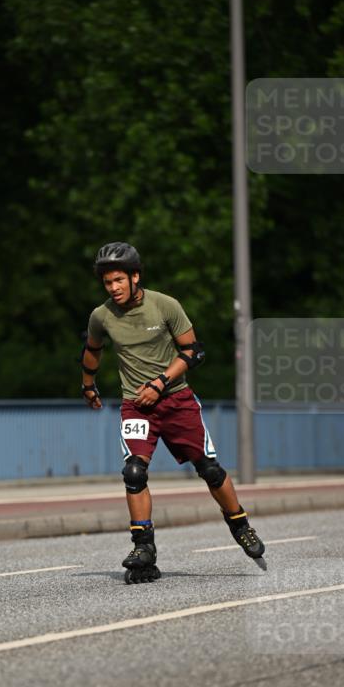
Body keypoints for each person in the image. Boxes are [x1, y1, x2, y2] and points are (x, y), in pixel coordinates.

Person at [80, 241, 266, 583]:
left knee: (209, 469)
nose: (114, 288)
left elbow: (193, 352)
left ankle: (240, 524)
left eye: (119, 280)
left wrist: (161, 382)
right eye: (108, 283)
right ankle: (144, 547)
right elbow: (92, 350)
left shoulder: (165, 306)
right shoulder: (101, 316)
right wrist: (88, 385)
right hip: (136, 407)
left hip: (177, 401)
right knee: (134, 472)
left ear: (136, 276)